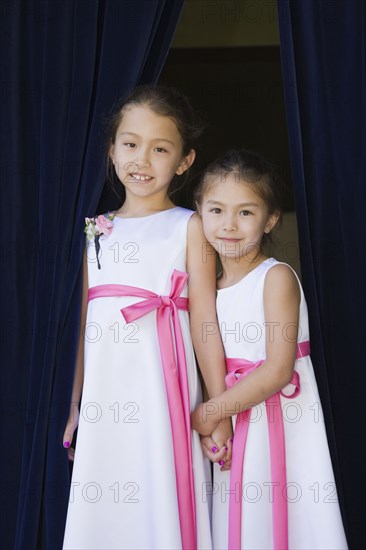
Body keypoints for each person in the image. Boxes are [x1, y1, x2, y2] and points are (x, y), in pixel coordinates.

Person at [62, 85, 232, 550]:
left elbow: (204, 323)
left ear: (184, 161)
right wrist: (76, 405)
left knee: (160, 494)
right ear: (112, 150)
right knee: (106, 504)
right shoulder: (94, 232)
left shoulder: (189, 225)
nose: (142, 159)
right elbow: (83, 329)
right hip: (105, 400)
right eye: (130, 144)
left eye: (160, 149)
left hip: (162, 392)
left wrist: (218, 409)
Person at [191, 149, 348, 550]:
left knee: (291, 517)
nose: (229, 225)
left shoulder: (276, 276)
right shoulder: (205, 290)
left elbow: (279, 370)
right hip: (236, 422)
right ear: (199, 212)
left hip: (278, 418)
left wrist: (211, 411)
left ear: (271, 219)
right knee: (243, 525)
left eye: (246, 212)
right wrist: (218, 419)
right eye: (217, 210)